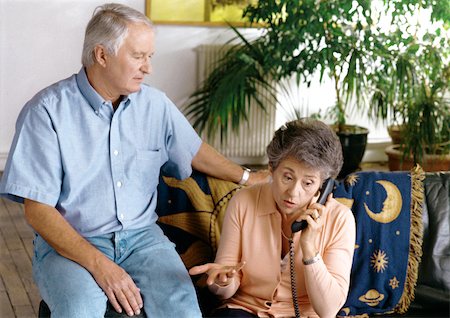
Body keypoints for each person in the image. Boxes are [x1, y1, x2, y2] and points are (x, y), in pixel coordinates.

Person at [0, 3, 268, 317]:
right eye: (138, 56)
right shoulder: (46, 112)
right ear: (101, 55)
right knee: (80, 309)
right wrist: (101, 266)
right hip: (72, 242)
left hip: (143, 240)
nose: (148, 68)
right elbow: (38, 211)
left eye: (149, 57)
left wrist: (249, 178)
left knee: (183, 310)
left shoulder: (155, 105)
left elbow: (193, 150)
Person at [189, 118, 356, 318]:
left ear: (323, 186)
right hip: (246, 309)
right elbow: (226, 284)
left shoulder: (341, 219)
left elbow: (328, 310)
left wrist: (309, 249)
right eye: (287, 177)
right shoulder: (243, 201)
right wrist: (223, 282)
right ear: (271, 168)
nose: (294, 192)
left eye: (308, 183)